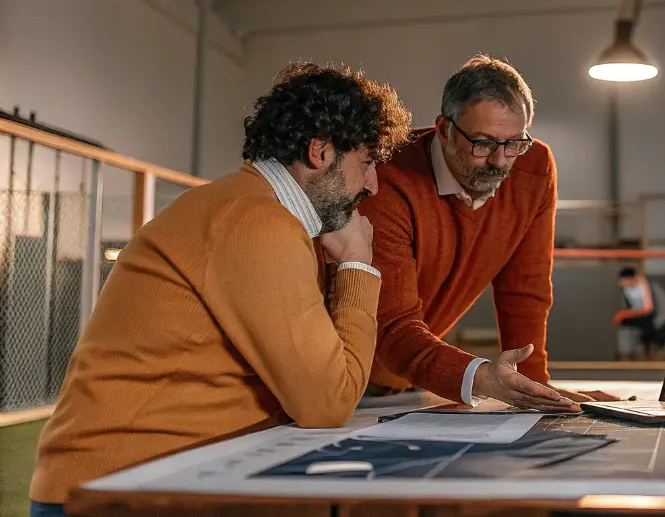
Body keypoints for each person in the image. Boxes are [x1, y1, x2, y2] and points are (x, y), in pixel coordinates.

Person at [28, 63, 411, 516]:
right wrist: (356, 265)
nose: (372, 184)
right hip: (118, 492)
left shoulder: (252, 209)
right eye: (366, 163)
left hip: (140, 480)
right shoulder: (257, 222)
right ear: (320, 151)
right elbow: (328, 403)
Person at [360, 55, 614, 413]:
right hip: (344, 376)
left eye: (513, 143)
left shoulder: (534, 166)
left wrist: (534, 387)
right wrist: (481, 379)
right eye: (482, 143)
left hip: (412, 382)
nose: (499, 161)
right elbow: (391, 325)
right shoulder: (385, 179)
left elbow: (525, 289)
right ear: (444, 130)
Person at [612, 267, 665, 360]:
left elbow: (653, 308)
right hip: (641, 319)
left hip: (658, 320)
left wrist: (626, 313)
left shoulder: (650, 287)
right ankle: (628, 354)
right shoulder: (626, 291)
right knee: (626, 328)